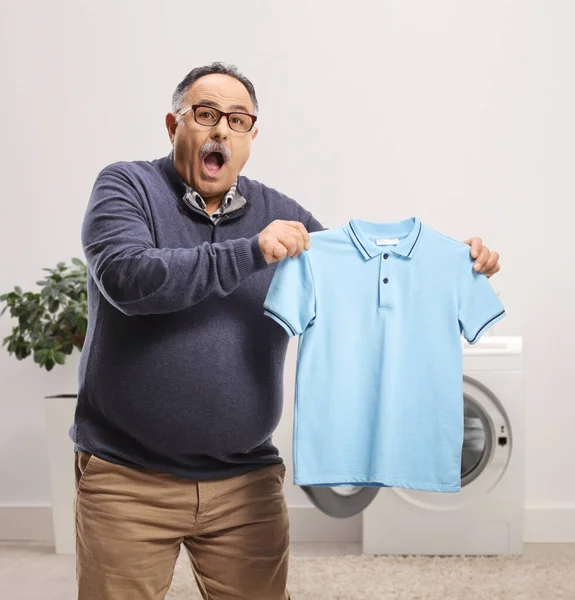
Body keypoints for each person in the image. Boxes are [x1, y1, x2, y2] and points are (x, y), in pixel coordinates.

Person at [70, 62, 502, 600]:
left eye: (238, 119)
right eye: (205, 114)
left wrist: (451, 266)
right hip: (129, 479)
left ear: (252, 136)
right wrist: (250, 252)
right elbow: (127, 278)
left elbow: (356, 289)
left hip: (245, 482)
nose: (221, 129)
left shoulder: (282, 213)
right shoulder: (127, 185)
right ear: (173, 124)